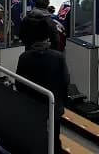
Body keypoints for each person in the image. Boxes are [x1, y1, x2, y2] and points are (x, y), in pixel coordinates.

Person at [16, 16, 71, 154]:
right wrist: (61, 103)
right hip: (53, 109)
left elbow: (19, 84)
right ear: (48, 37)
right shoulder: (58, 58)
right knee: (54, 140)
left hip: (31, 108)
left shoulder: (24, 57)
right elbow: (65, 82)